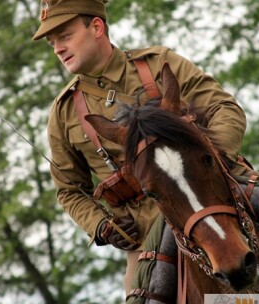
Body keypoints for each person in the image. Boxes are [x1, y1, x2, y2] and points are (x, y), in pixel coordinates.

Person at [31, 0, 247, 296]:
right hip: (148, 237)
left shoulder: (158, 63)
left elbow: (224, 108)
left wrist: (216, 160)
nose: (57, 48)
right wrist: (102, 226)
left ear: (96, 27)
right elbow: (69, 190)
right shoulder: (64, 113)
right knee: (139, 298)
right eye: (52, 42)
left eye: (65, 36)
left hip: (219, 198)